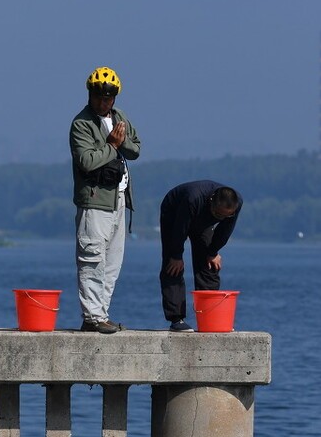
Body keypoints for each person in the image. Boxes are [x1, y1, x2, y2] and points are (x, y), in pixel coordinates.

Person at [71, 66, 141, 334]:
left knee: (112, 263)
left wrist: (121, 144)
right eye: (100, 97)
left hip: (119, 200)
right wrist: (111, 145)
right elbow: (87, 161)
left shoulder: (119, 116)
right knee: (92, 259)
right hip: (94, 202)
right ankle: (92, 316)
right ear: (90, 95)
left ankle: (101, 314)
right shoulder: (81, 124)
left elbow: (136, 148)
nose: (104, 102)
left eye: (109, 98)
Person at [159, 180, 243, 331]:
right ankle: (176, 319)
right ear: (211, 200)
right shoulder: (193, 198)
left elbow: (225, 231)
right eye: (218, 214)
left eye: (226, 216)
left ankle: (210, 316)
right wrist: (176, 255)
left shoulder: (235, 205)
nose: (221, 218)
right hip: (174, 212)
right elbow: (180, 228)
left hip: (203, 218)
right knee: (173, 266)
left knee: (209, 264)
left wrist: (213, 252)